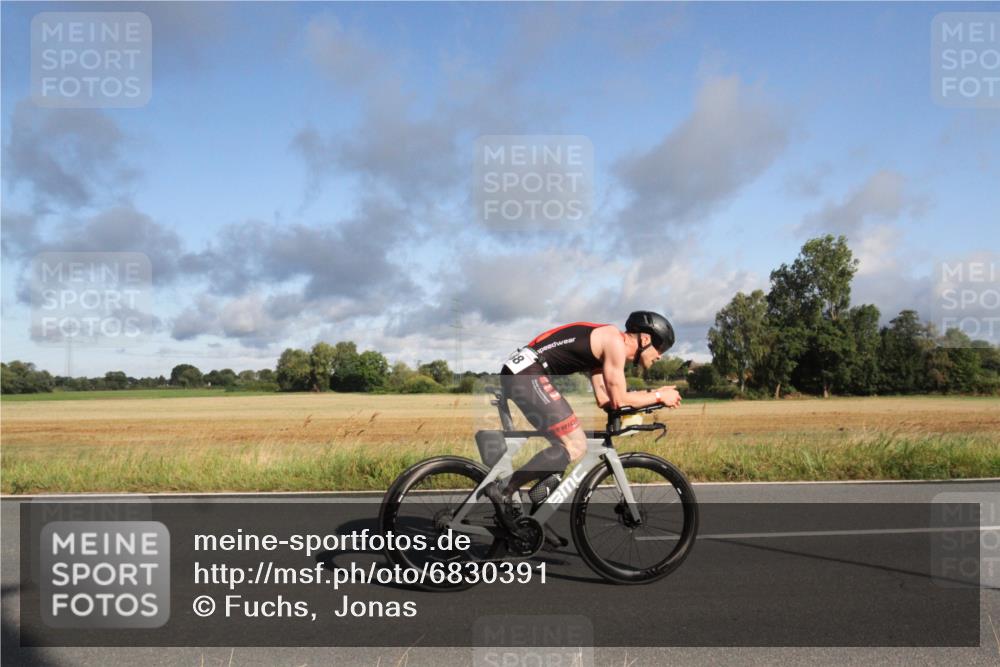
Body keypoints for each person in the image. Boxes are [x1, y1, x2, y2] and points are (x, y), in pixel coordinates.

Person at [486, 311, 682, 513]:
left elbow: (605, 398)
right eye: (661, 348)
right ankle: (504, 491)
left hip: (523, 372)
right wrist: (658, 396)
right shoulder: (614, 341)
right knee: (576, 444)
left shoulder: (604, 344)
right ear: (645, 338)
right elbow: (619, 399)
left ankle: (532, 517)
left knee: (563, 447)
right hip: (528, 374)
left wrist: (645, 402)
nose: (660, 356)